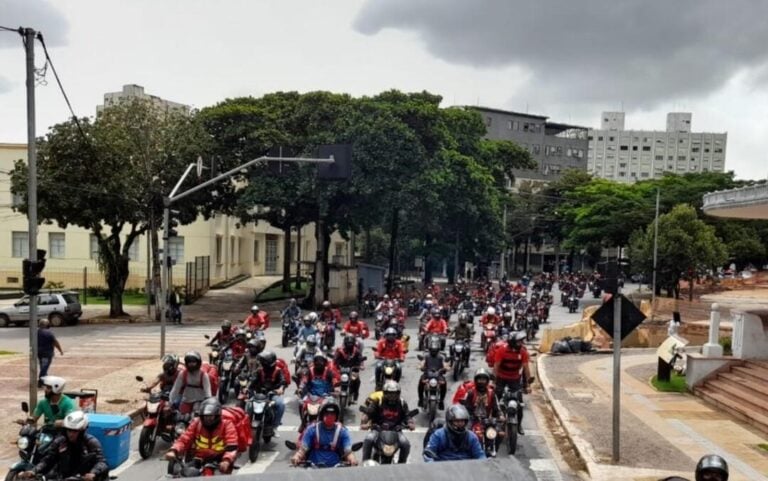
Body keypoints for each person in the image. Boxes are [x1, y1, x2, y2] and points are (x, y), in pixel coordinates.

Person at [21, 411, 108, 481]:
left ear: (82, 431)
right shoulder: (60, 442)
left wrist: (93, 473)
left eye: (75, 431)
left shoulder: (91, 442)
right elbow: (47, 460)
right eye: (69, 430)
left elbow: (101, 462)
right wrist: (34, 471)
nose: (71, 434)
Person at [166, 398, 238, 474]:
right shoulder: (196, 423)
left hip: (220, 460)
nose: (207, 419)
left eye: (210, 416)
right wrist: (174, 450)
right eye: (205, 416)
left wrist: (226, 460)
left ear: (217, 415)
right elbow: (184, 439)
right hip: (199, 459)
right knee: (183, 474)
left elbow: (232, 445)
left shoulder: (227, 424)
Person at [291, 399, 357, 467]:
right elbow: (303, 449)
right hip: (313, 469)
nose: (330, 416)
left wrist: (352, 459)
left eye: (332, 414)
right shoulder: (311, 429)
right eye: (327, 413)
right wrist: (297, 456)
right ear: (322, 414)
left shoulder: (342, 431)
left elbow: (348, 451)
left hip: (335, 469)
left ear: (336, 415)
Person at [360, 381, 414, 464]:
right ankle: (365, 462)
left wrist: (410, 423)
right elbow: (370, 412)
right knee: (369, 439)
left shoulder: (402, 403)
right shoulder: (378, 401)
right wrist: (365, 422)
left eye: (395, 393)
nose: (392, 396)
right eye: (390, 393)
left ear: (398, 393)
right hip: (378, 429)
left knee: (406, 444)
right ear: (385, 393)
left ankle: (402, 464)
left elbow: (407, 415)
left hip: (396, 431)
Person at [489, 331, 531, 435]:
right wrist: (493, 382)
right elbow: (496, 366)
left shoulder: (523, 352)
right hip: (501, 378)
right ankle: (494, 422)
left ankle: (519, 425)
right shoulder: (502, 350)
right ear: (512, 342)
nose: (521, 344)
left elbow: (526, 368)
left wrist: (528, 385)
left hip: (515, 379)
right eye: (518, 342)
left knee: (519, 403)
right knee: (496, 400)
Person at [247, 351, 287, 432]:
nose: (261, 363)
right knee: (248, 405)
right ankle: (247, 424)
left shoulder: (278, 371)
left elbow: (283, 381)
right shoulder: (259, 370)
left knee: (281, 404)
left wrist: (281, 389)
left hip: (272, 394)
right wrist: (247, 388)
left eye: (263, 362)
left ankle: (275, 426)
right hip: (259, 394)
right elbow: (253, 380)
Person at [418, 337, 448, 410]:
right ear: (430, 350)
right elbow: (422, 363)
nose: (433, 352)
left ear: (438, 350)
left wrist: (445, 369)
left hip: (438, 375)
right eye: (432, 350)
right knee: (420, 383)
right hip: (427, 374)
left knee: (444, 384)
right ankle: (421, 399)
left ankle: (441, 401)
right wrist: (422, 367)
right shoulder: (426, 356)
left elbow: (445, 365)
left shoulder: (441, 357)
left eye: (435, 350)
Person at [333, 335, 365, 402]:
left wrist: (361, 365)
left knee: (357, 380)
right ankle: (331, 394)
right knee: (333, 379)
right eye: (348, 343)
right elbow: (335, 359)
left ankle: (355, 394)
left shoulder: (356, 351)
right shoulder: (340, 350)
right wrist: (335, 363)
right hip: (341, 368)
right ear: (345, 343)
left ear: (353, 343)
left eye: (351, 343)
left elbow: (360, 359)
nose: (349, 344)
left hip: (353, 369)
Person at [37, 318, 64, 386]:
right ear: (46, 325)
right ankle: (41, 381)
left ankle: (45, 380)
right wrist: (60, 350)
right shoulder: (49, 333)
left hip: (39, 353)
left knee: (42, 366)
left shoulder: (37, 332)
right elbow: (55, 342)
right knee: (44, 367)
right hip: (47, 353)